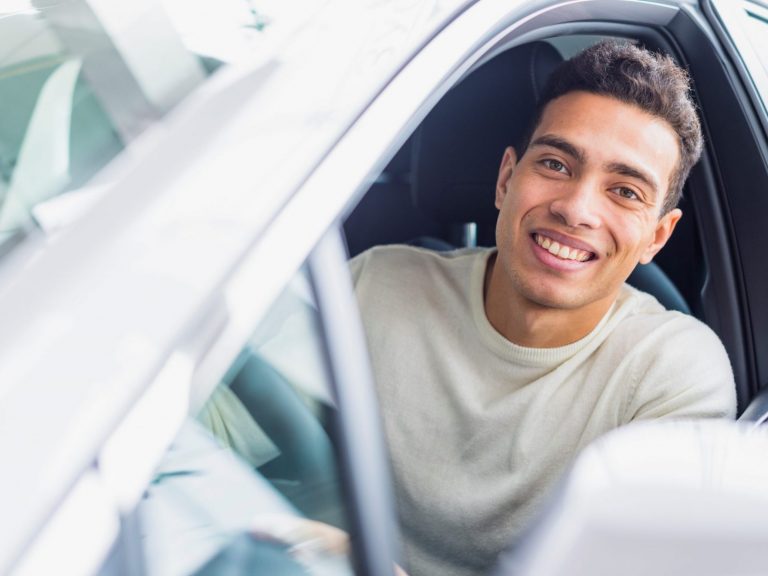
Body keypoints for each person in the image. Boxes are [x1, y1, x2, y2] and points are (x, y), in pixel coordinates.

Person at [349, 40, 736, 576]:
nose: (575, 209)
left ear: (657, 237)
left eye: (625, 191)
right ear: (506, 179)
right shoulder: (375, 282)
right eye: (556, 163)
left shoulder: (672, 373)